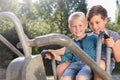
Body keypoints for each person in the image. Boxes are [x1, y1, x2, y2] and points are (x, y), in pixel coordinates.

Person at [44, 11, 97, 80]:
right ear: (70, 27)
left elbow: (103, 48)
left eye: (80, 25)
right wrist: (55, 56)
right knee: (65, 78)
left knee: (80, 78)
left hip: (88, 65)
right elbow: (68, 58)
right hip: (74, 65)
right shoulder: (70, 43)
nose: (77, 29)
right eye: (74, 26)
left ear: (86, 25)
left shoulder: (92, 38)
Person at [86, 5, 120, 80]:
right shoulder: (87, 37)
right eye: (91, 23)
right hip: (89, 64)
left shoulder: (113, 35)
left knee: (100, 66)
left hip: (105, 66)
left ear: (105, 20)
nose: (94, 27)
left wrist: (112, 46)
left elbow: (118, 58)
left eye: (97, 22)